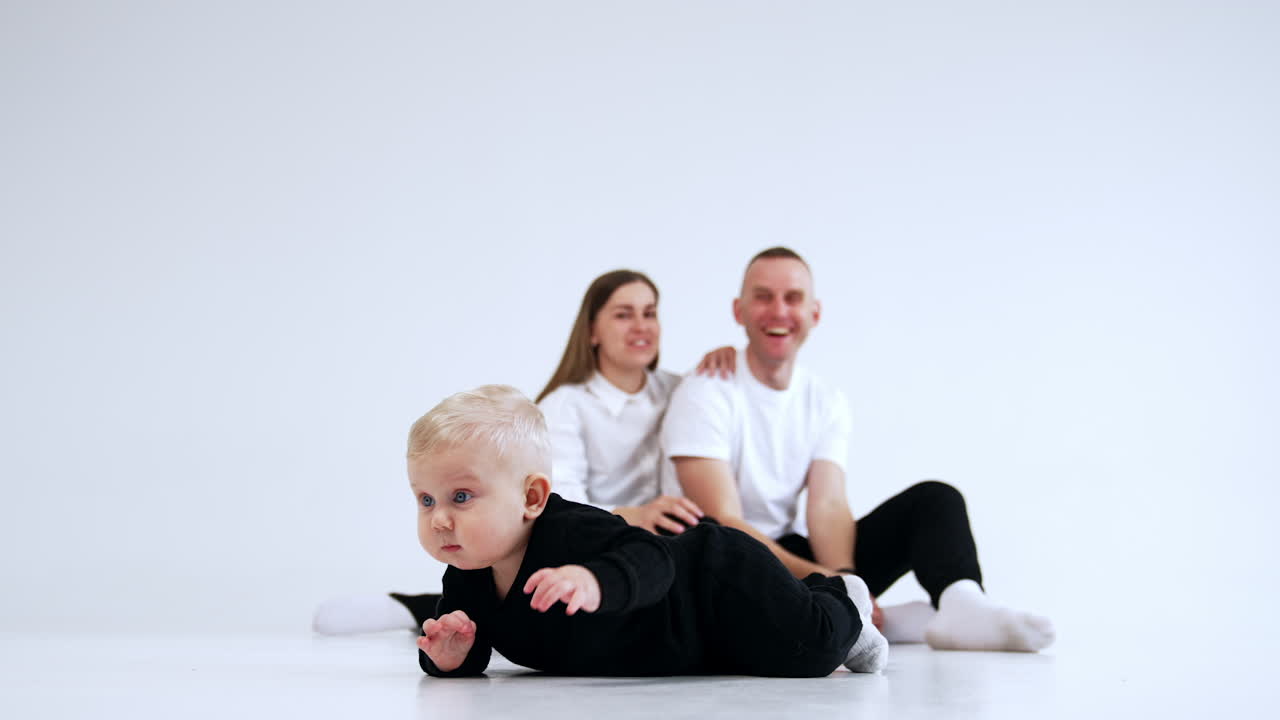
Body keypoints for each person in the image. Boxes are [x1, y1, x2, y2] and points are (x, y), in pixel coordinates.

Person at [661, 247, 1056, 652]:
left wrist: (847, 578)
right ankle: (879, 618)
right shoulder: (705, 392)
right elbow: (725, 522)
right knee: (732, 558)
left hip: (788, 552)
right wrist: (836, 585)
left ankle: (961, 605)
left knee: (936, 500)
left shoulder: (825, 399)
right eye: (763, 297)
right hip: (726, 559)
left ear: (814, 313)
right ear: (739, 311)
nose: (778, 311)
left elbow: (828, 505)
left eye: (793, 298)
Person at [312, 270, 728, 635]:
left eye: (649, 312)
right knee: (507, 603)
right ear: (593, 331)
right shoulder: (567, 405)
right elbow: (553, 508)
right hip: (595, 543)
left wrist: (729, 358)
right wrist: (630, 515)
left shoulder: (679, 391)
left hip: (655, 546)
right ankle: (418, 607)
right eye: (623, 314)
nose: (641, 325)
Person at [410, 384, 889, 677]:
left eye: (461, 497)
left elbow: (651, 557)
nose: (439, 519)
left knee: (811, 652)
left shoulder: (570, 531)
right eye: (426, 500)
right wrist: (450, 656)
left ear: (532, 498)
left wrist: (597, 580)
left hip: (714, 580)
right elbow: (469, 653)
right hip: (692, 651)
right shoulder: (465, 574)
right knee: (757, 663)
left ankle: (842, 596)